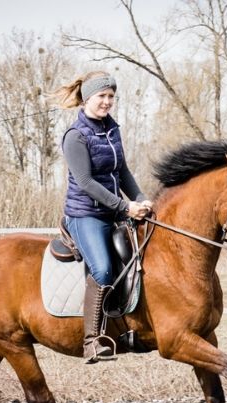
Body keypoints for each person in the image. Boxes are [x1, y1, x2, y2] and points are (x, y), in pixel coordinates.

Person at [52, 71, 153, 363]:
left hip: (114, 211)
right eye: (101, 96)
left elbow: (121, 172)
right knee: (103, 269)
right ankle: (91, 341)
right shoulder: (76, 136)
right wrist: (125, 207)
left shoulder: (112, 130)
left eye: (111, 96)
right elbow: (85, 181)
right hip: (85, 215)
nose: (107, 102)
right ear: (87, 98)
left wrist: (139, 198)